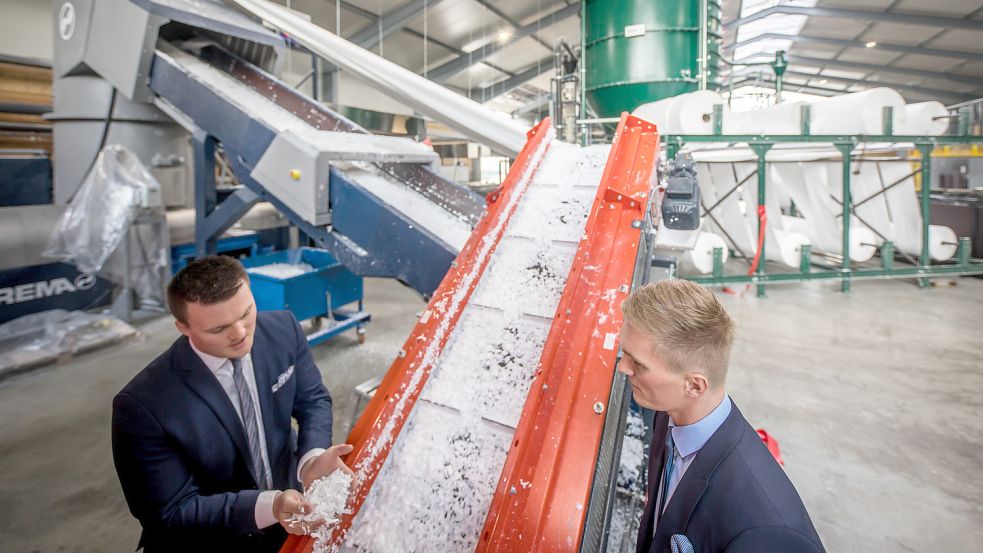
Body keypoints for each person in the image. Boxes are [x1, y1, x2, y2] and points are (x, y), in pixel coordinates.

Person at [112, 256, 351, 552]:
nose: (240, 334)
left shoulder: (283, 329)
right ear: (183, 327)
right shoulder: (143, 405)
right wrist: (271, 505)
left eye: (246, 313)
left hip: (289, 517)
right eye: (218, 329)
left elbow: (312, 400)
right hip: (213, 539)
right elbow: (171, 512)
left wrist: (312, 458)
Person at [618, 280, 826, 553]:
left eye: (638, 364)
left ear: (694, 385)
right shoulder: (669, 415)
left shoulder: (766, 526)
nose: (623, 368)